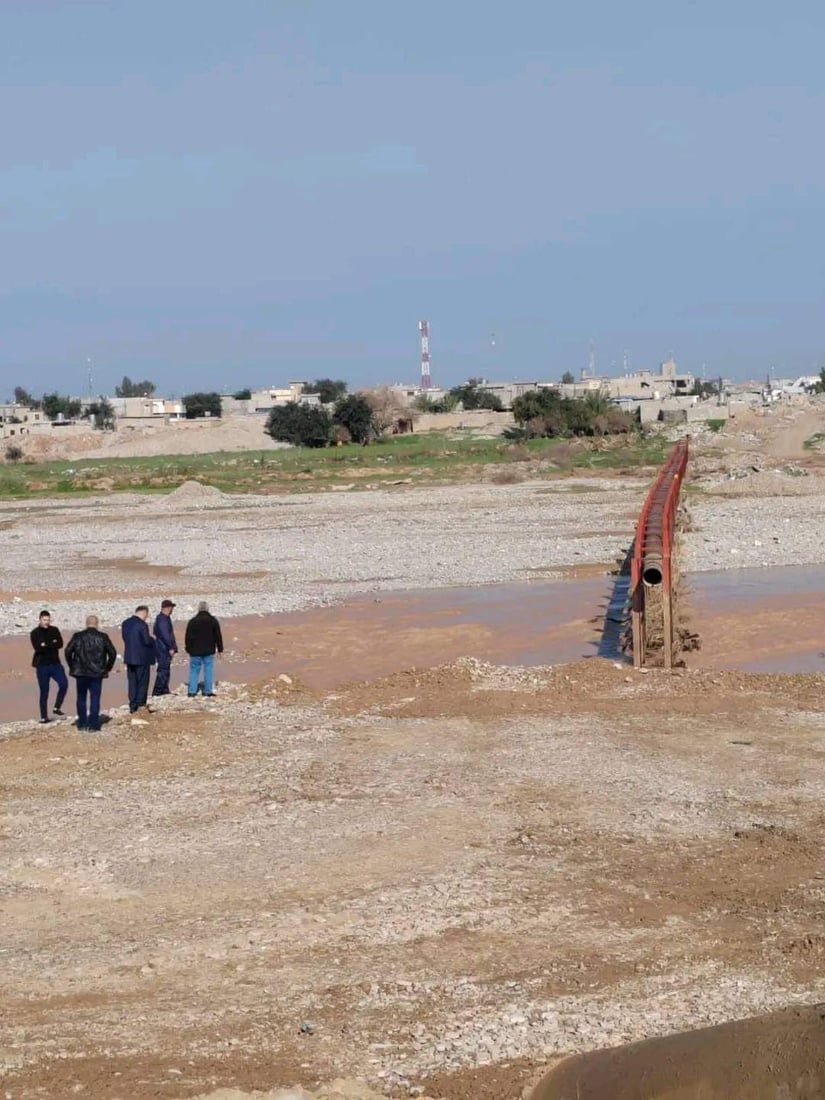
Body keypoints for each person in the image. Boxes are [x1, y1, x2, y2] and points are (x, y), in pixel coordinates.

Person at [65, 615, 117, 731]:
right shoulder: (102, 637)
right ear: (97, 624)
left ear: (86, 623)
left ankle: (82, 724)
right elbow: (112, 653)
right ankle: (93, 725)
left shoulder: (78, 636)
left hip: (81, 672)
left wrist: (72, 665)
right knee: (95, 698)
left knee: (81, 698)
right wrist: (107, 667)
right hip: (97, 673)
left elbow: (67, 651)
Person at [30, 609, 69, 724]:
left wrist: (46, 644)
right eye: (44, 620)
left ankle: (57, 707)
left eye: (48, 620)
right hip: (42, 665)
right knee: (44, 691)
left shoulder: (54, 630)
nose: (46, 622)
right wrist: (52, 643)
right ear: (40, 620)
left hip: (55, 664)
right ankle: (44, 716)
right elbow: (38, 647)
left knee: (64, 684)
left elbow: (60, 644)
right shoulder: (35, 633)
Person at [121, 605, 156, 713]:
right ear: (144, 613)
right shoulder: (142, 624)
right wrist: (152, 640)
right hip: (141, 658)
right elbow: (146, 641)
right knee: (142, 681)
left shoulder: (125, 623)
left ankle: (132, 705)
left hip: (129, 657)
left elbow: (125, 638)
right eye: (147, 615)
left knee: (132, 682)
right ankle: (140, 704)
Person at [184, 601, 224, 697]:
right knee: (208, 670)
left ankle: (192, 691)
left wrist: (188, 649)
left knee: (194, 670)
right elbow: (218, 636)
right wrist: (220, 649)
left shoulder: (192, 621)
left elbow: (188, 637)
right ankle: (207, 691)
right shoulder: (213, 621)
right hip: (209, 650)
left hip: (195, 651)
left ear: (198, 609)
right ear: (207, 609)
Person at [152, 599, 178, 696]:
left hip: (163, 647)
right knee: (163, 669)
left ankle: (164, 689)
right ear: (168, 608)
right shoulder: (162, 619)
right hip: (163, 648)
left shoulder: (163, 618)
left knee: (166, 669)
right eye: (171, 607)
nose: (172, 610)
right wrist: (171, 647)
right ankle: (158, 691)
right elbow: (165, 635)